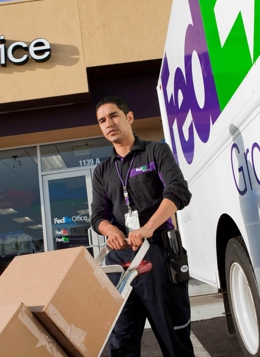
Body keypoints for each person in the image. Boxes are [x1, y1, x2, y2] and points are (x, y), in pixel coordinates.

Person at [90, 96, 195, 357]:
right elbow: (97, 216)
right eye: (102, 120)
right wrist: (109, 230)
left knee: (174, 340)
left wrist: (148, 227)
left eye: (113, 116)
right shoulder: (102, 172)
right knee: (121, 343)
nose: (108, 124)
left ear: (129, 117)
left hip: (158, 252)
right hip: (121, 265)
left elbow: (178, 192)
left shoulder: (156, 152)